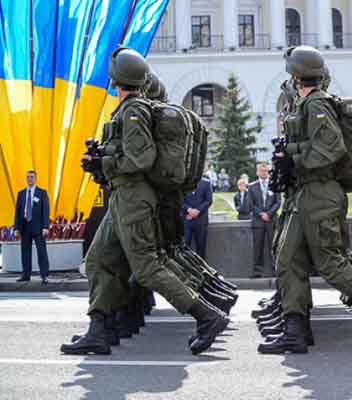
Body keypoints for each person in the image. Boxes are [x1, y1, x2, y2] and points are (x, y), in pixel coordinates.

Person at [61, 47, 228, 356]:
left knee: (147, 266)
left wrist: (106, 161)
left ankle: (208, 316)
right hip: (123, 196)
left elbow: (142, 157)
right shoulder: (130, 108)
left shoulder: (134, 110)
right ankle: (98, 329)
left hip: (134, 199)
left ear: (116, 78)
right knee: (99, 260)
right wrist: (102, 162)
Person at [257, 45, 352, 354]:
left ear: (298, 74)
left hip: (320, 192)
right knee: (288, 259)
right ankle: (295, 330)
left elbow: (331, 147)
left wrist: (293, 157)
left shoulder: (317, 104)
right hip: (307, 192)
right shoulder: (307, 104)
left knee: (330, 262)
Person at [13, 170, 50, 284]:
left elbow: (46, 211)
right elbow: (18, 212)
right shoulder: (21, 193)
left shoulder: (42, 192)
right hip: (25, 227)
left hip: (38, 228)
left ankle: (44, 276)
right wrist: (16, 228)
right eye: (28, 177)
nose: (29, 179)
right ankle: (26, 275)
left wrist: (45, 227)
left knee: (41, 252)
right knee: (25, 252)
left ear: (35, 179)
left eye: (32, 177)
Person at [248, 162, 281, 278]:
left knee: (274, 246)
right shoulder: (251, 186)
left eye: (266, 170)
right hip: (258, 222)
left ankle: (275, 270)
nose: (264, 172)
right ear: (257, 172)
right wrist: (261, 214)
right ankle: (257, 271)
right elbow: (250, 204)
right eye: (261, 170)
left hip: (272, 221)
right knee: (258, 247)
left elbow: (278, 202)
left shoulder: (274, 185)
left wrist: (269, 214)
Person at [182, 175, 213, 258]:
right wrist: (189, 210)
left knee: (201, 248)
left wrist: (198, 211)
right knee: (184, 247)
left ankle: (202, 269)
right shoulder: (182, 183)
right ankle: (185, 269)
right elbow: (179, 200)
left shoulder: (206, 183)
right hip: (186, 220)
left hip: (201, 221)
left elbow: (208, 200)